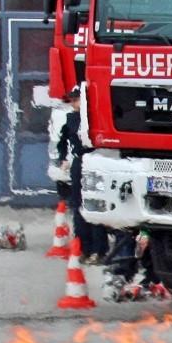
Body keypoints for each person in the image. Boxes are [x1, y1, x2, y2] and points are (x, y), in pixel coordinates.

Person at [57, 88, 108, 264]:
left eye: (76, 100)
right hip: (80, 162)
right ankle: (83, 247)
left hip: (95, 159)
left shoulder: (95, 115)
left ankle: (99, 249)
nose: (73, 104)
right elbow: (62, 140)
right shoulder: (71, 119)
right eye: (71, 100)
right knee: (78, 205)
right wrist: (62, 158)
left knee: (95, 204)